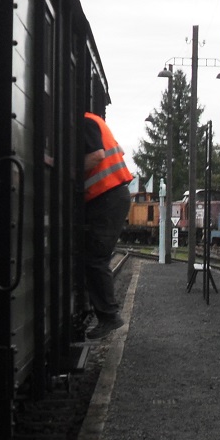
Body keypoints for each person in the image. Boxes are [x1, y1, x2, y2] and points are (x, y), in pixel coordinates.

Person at [82, 110, 133, 340]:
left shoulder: (85, 122)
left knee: (95, 258)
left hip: (108, 197)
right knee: (94, 256)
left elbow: (96, 155)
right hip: (111, 196)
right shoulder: (97, 121)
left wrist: (69, 174)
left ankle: (109, 316)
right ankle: (107, 314)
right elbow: (118, 152)